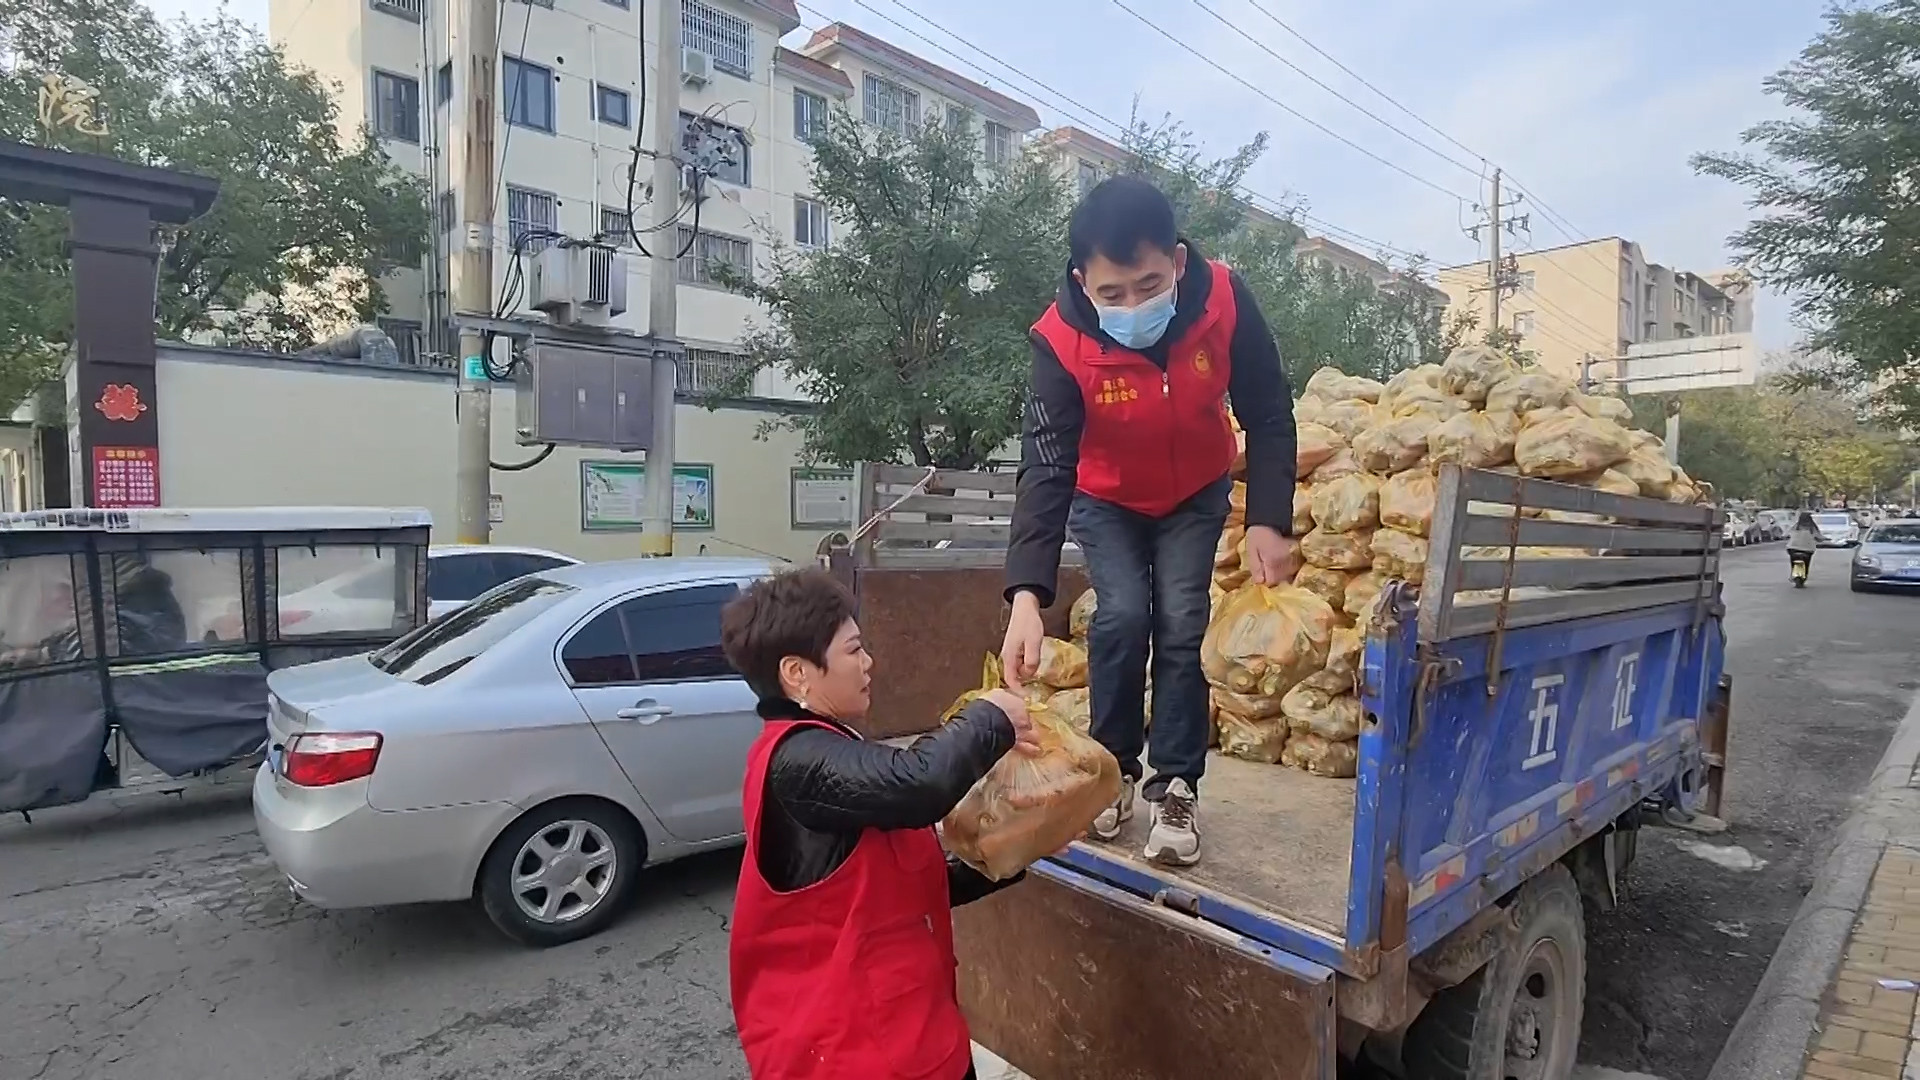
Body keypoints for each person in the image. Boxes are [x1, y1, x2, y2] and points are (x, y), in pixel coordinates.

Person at [1000, 175, 1299, 867]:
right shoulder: (1059, 342)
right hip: (1106, 499)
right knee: (1123, 614)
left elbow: (1269, 410)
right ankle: (1112, 770)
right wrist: (1025, 595)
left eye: (1148, 284)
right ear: (1084, 280)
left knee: (1182, 621)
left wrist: (1268, 519)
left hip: (1195, 491)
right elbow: (1045, 469)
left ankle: (1177, 783)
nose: (1132, 304)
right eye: (1112, 293)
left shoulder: (1224, 301)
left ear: (1179, 264)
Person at [721, 568, 1040, 1080]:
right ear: (797, 673)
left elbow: (905, 891)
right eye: (853, 650)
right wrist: (991, 716)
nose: (868, 663)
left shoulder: (834, 750)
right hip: (852, 1055)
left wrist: (1019, 847)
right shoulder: (796, 760)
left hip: (917, 1038)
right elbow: (917, 785)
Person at [1788, 511, 1819, 578]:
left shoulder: (1796, 526)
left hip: (1793, 548)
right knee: (1807, 562)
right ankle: (1805, 573)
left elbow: (1787, 533)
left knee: (1793, 560)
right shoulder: (1812, 527)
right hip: (1807, 550)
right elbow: (1818, 536)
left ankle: (1793, 572)